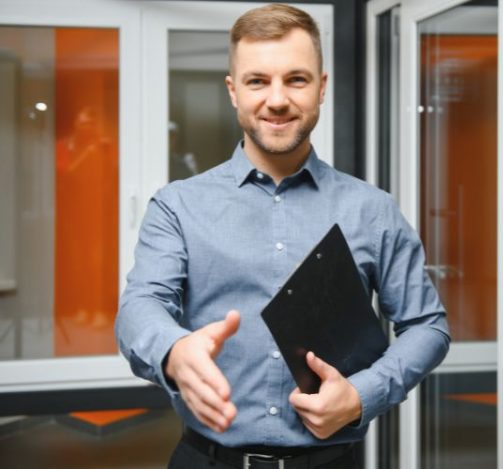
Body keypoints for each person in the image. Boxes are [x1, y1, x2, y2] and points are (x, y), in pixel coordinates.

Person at [115, 4, 450, 468]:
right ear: (234, 91)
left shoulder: (372, 211)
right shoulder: (178, 205)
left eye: (296, 79)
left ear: (322, 87)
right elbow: (140, 305)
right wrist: (172, 350)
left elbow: (427, 326)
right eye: (257, 81)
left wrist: (360, 395)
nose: (276, 99)